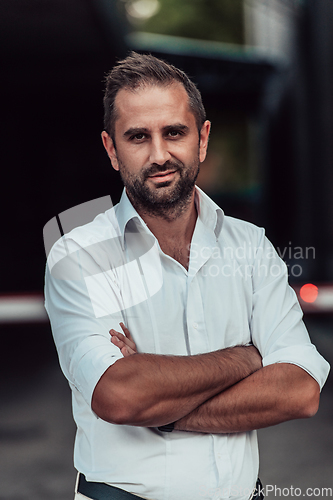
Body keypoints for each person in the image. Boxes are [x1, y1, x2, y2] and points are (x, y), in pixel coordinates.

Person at [44, 52, 330, 500]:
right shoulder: (78, 255)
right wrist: (248, 358)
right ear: (111, 149)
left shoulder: (251, 247)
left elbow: (299, 392)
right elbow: (120, 396)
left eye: (174, 132)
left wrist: (162, 408)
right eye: (138, 136)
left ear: (202, 138)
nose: (159, 155)